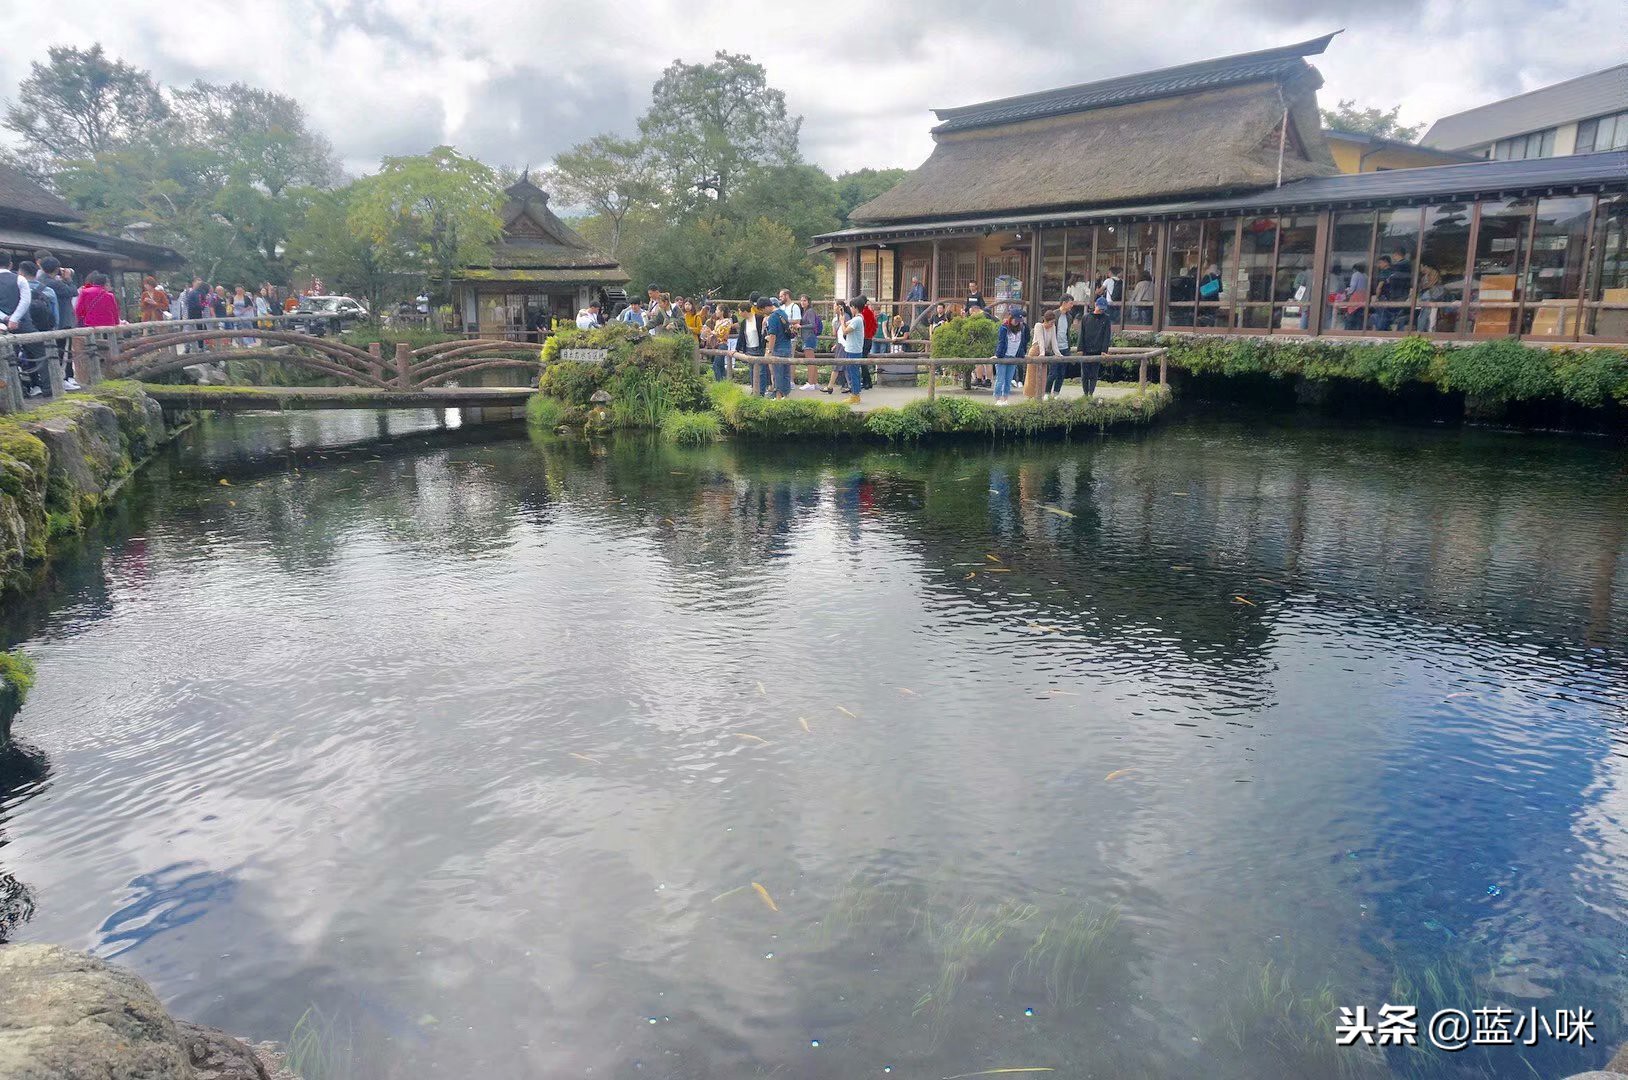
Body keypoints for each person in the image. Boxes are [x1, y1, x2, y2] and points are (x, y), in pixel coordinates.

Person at [988, 308, 1028, 405]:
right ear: (1011, 318)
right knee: (1000, 379)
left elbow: (1022, 343)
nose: (1017, 323)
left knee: (1008, 379)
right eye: (1015, 320)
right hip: (1003, 356)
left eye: (1019, 321)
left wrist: (1022, 355)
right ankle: (997, 399)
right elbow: (1001, 342)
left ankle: (1005, 399)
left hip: (1013, 357)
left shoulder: (1021, 328)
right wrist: (998, 355)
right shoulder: (1004, 328)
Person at [1078, 295, 1113, 397]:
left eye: (1103, 309)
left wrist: (1104, 350)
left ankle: (1091, 393)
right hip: (1086, 349)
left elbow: (1107, 335)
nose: (1101, 310)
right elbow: (1082, 334)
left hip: (1098, 349)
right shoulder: (1086, 318)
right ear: (1096, 305)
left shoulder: (1106, 319)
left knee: (1094, 373)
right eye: (1100, 308)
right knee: (1084, 374)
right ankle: (1085, 393)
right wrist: (1080, 348)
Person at [763, 293, 796, 399]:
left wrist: (769, 351)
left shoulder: (772, 317)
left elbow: (773, 335)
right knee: (786, 373)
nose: (763, 312)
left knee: (778, 374)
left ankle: (778, 396)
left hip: (778, 348)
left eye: (763, 309)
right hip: (787, 346)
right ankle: (785, 395)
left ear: (767, 306)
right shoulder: (783, 313)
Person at [1047, 296, 1077, 399]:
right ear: (1064, 303)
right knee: (1053, 373)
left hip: (1065, 347)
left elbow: (1067, 332)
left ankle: (1056, 393)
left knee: (1061, 373)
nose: (1072, 306)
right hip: (1055, 348)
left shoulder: (1069, 317)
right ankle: (1046, 393)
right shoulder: (1054, 314)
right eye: (1070, 303)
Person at [797, 294, 822, 389]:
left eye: (804, 301)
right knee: (812, 360)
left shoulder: (810, 311)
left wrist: (801, 326)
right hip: (807, 337)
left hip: (809, 337)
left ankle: (810, 383)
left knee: (810, 360)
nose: (802, 302)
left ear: (808, 302)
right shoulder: (804, 311)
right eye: (801, 300)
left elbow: (812, 324)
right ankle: (815, 382)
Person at [857, 295, 878, 390]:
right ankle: (867, 381)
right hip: (869, 338)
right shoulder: (869, 312)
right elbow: (875, 326)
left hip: (864, 339)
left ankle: (866, 381)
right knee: (863, 360)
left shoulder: (863, 313)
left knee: (862, 361)